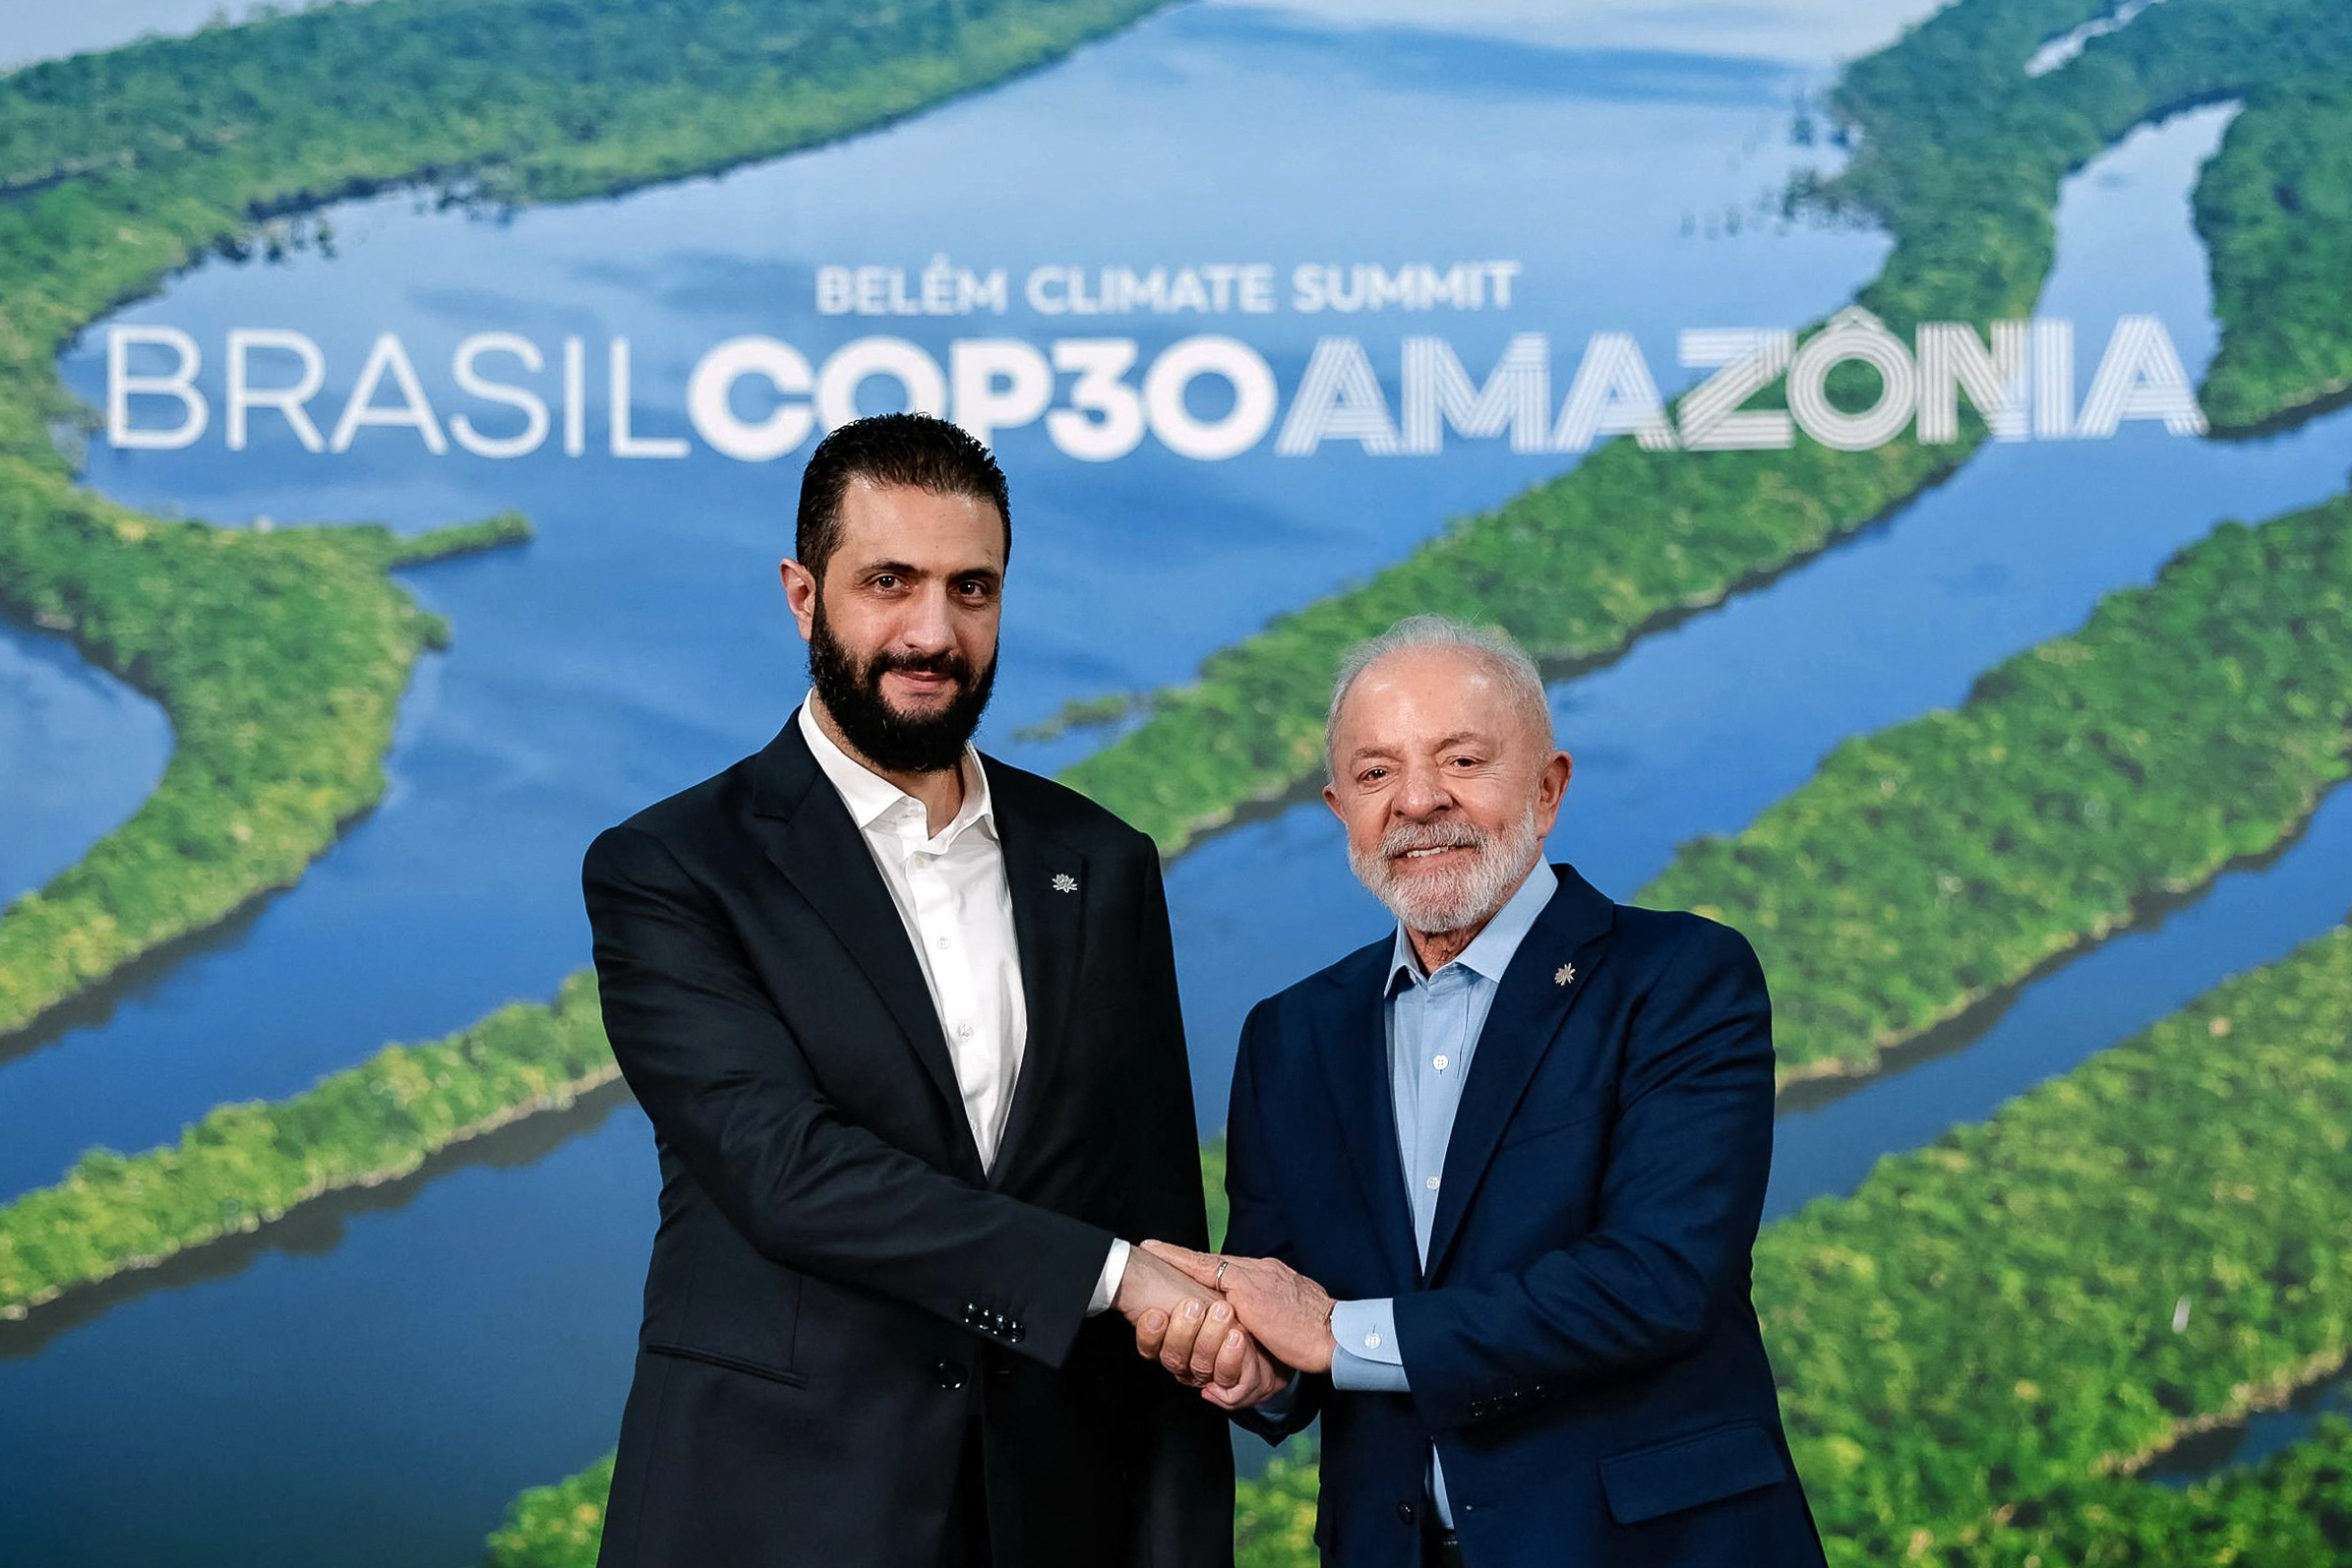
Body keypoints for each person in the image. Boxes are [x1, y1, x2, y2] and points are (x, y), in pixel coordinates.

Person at [582, 412, 1279, 1568]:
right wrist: (1110, 1275)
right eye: (889, 581)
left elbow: (1155, 1213)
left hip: (1053, 1519)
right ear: (803, 595)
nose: (932, 632)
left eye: (972, 588)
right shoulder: (673, 867)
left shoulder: (1102, 861)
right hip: (770, 1515)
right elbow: (786, 1171)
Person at [1139, 615, 1828, 1568]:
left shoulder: (1678, 976)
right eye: (1375, 773)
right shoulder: (1290, 1035)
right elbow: (1292, 1316)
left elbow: (1657, 1281)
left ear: (1547, 789)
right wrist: (1250, 1362)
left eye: (1461, 760)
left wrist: (1335, 1333)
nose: (1418, 800)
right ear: (1340, 810)